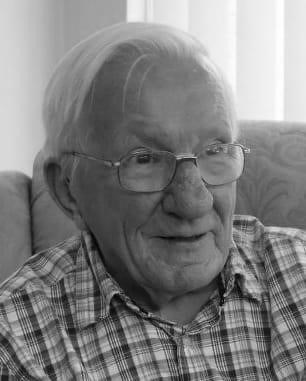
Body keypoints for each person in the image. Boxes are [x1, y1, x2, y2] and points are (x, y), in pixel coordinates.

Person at [0, 22, 305, 380]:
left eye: (215, 150)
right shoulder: (18, 341)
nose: (193, 202)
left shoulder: (299, 273)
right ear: (67, 188)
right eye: (144, 159)